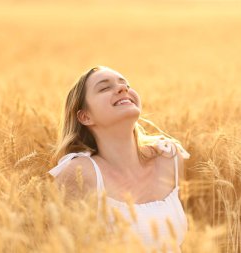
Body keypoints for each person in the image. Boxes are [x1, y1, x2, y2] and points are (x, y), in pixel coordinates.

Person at [48, 66, 191, 252]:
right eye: (104, 88)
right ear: (85, 116)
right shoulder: (79, 173)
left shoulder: (169, 157)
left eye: (126, 84)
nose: (123, 89)